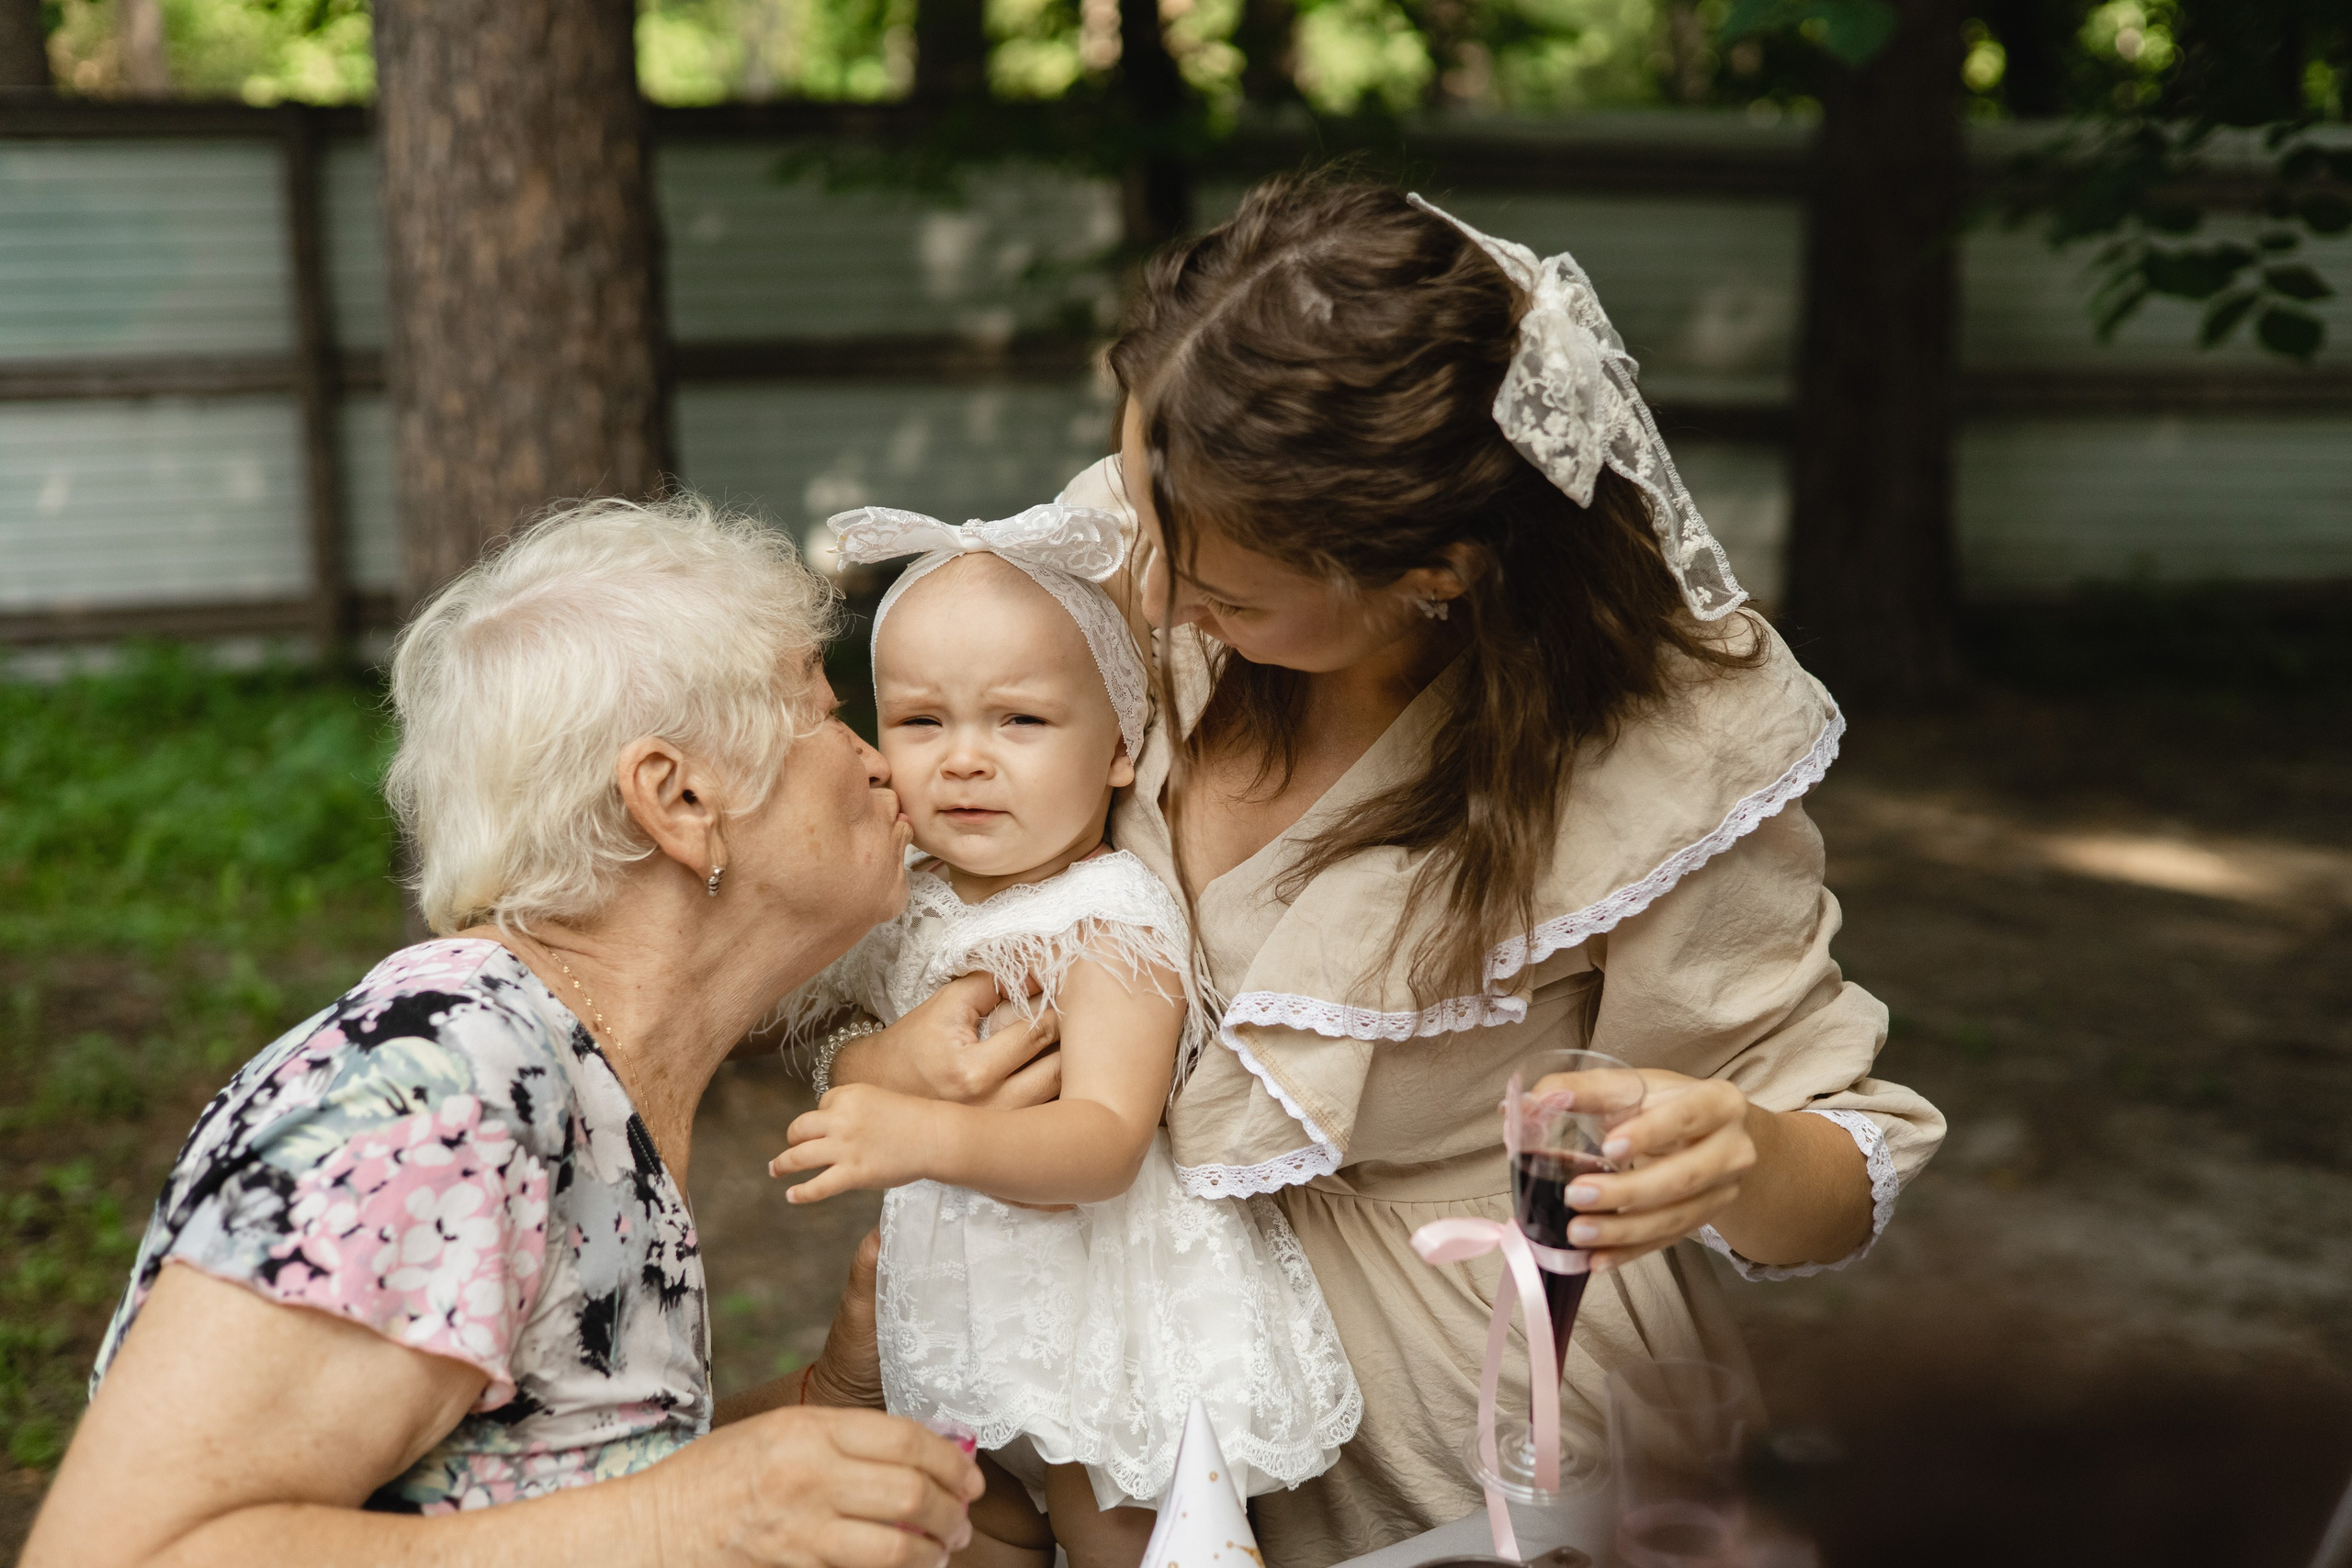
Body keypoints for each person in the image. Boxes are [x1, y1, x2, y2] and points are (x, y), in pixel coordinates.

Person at [832, 175, 1950, 1566]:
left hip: (1460, 1441)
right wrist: (894, 1071)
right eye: (1147, 512)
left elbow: (1836, 1155)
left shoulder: (1665, 757)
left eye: (1227, 590)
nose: (1159, 600)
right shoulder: (1146, 553)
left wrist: (1737, 1146)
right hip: (1120, 1376)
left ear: (1439, 570)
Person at [22, 495, 1006, 1568]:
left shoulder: (581, 1077)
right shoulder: (434, 1087)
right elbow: (114, 1553)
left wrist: (825, 1402)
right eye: (823, 713)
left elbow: (515, 1493)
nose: (876, 760)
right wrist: (686, 1519)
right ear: (676, 799)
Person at [768, 502, 1360, 1568]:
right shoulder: (913, 900)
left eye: (1019, 722)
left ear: (1121, 748)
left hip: (1107, 1325)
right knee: (957, 1516)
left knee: (1122, 1537)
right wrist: (875, 1070)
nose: (962, 762)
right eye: (919, 722)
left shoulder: (1108, 919)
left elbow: (1102, 1141)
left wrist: (918, 1137)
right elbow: (851, 1033)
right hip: (975, 1317)